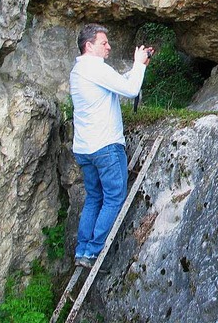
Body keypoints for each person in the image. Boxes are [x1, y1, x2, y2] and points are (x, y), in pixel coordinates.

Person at [70, 23, 153, 268]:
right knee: (114, 197)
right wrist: (138, 63)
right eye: (103, 43)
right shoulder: (94, 67)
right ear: (89, 46)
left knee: (94, 197)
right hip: (105, 146)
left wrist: (140, 68)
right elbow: (129, 90)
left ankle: (82, 249)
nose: (109, 46)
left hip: (85, 148)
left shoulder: (80, 70)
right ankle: (92, 252)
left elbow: (118, 83)